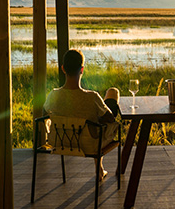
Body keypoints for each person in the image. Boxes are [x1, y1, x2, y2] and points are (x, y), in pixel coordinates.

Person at [43, 49, 120, 180]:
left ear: (63, 69)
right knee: (113, 92)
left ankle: (100, 170)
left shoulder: (53, 95)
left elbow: (45, 113)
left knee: (93, 121)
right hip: (89, 144)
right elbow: (111, 118)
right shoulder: (92, 97)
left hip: (59, 141)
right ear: (82, 70)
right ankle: (99, 170)